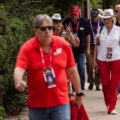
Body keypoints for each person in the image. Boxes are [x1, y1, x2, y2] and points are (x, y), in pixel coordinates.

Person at [13, 14, 84, 120]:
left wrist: (78, 94)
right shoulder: (27, 48)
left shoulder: (63, 45)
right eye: (43, 28)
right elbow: (19, 67)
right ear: (36, 31)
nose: (47, 31)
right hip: (37, 105)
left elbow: (73, 71)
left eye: (50, 28)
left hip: (60, 103)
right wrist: (18, 81)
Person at [93, 9, 120, 114]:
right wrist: (95, 59)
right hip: (102, 58)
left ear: (112, 19)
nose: (106, 21)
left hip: (116, 58)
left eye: (108, 18)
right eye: (104, 19)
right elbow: (96, 45)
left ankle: (112, 106)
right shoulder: (100, 29)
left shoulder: (118, 30)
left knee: (114, 84)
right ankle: (107, 102)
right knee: (104, 84)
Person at [63, 5, 90, 91]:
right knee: (71, 69)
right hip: (70, 50)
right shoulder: (66, 22)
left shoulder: (83, 22)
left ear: (78, 14)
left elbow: (88, 36)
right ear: (70, 14)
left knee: (81, 68)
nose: (74, 17)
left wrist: (88, 48)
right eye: (72, 15)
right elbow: (62, 35)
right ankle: (74, 87)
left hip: (81, 50)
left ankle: (81, 88)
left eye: (76, 15)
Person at [86, 9, 104, 91]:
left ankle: (97, 83)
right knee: (89, 65)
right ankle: (91, 81)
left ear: (98, 17)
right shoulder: (87, 22)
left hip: (99, 45)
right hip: (90, 46)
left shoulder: (101, 23)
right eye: (92, 16)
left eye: (95, 17)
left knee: (99, 65)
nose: (94, 18)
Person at [114, 4, 120, 95]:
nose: (114, 13)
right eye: (114, 11)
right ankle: (118, 89)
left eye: (116, 11)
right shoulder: (114, 23)